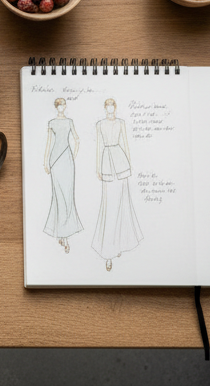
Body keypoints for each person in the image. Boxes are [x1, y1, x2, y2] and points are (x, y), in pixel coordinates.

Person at [90, 98, 143, 271]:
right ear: (105, 108)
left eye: (113, 106)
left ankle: (119, 244)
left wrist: (129, 164)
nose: (110, 109)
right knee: (109, 206)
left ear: (115, 108)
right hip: (106, 163)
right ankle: (108, 251)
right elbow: (98, 146)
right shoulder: (99, 124)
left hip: (121, 163)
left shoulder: (121, 123)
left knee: (122, 205)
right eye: (108, 106)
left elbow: (125, 144)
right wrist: (98, 167)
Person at [42, 96, 82, 253]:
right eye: (58, 105)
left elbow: (77, 140)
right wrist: (46, 162)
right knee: (58, 196)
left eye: (62, 105)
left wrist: (73, 156)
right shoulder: (51, 123)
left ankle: (64, 235)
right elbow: (49, 143)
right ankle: (61, 234)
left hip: (67, 159)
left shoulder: (69, 121)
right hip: (55, 160)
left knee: (67, 196)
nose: (61, 107)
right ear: (56, 107)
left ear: (65, 106)